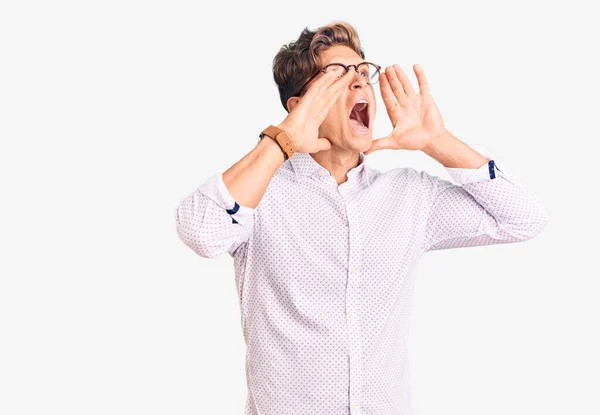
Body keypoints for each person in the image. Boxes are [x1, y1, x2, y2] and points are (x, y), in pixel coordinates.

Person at [174, 20, 549, 415]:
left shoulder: (409, 195)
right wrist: (285, 138)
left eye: (361, 72)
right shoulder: (260, 193)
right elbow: (200, 231)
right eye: (336, 75)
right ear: (300, 106)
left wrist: (438, 142)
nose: (358, 83)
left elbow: (523, 218)